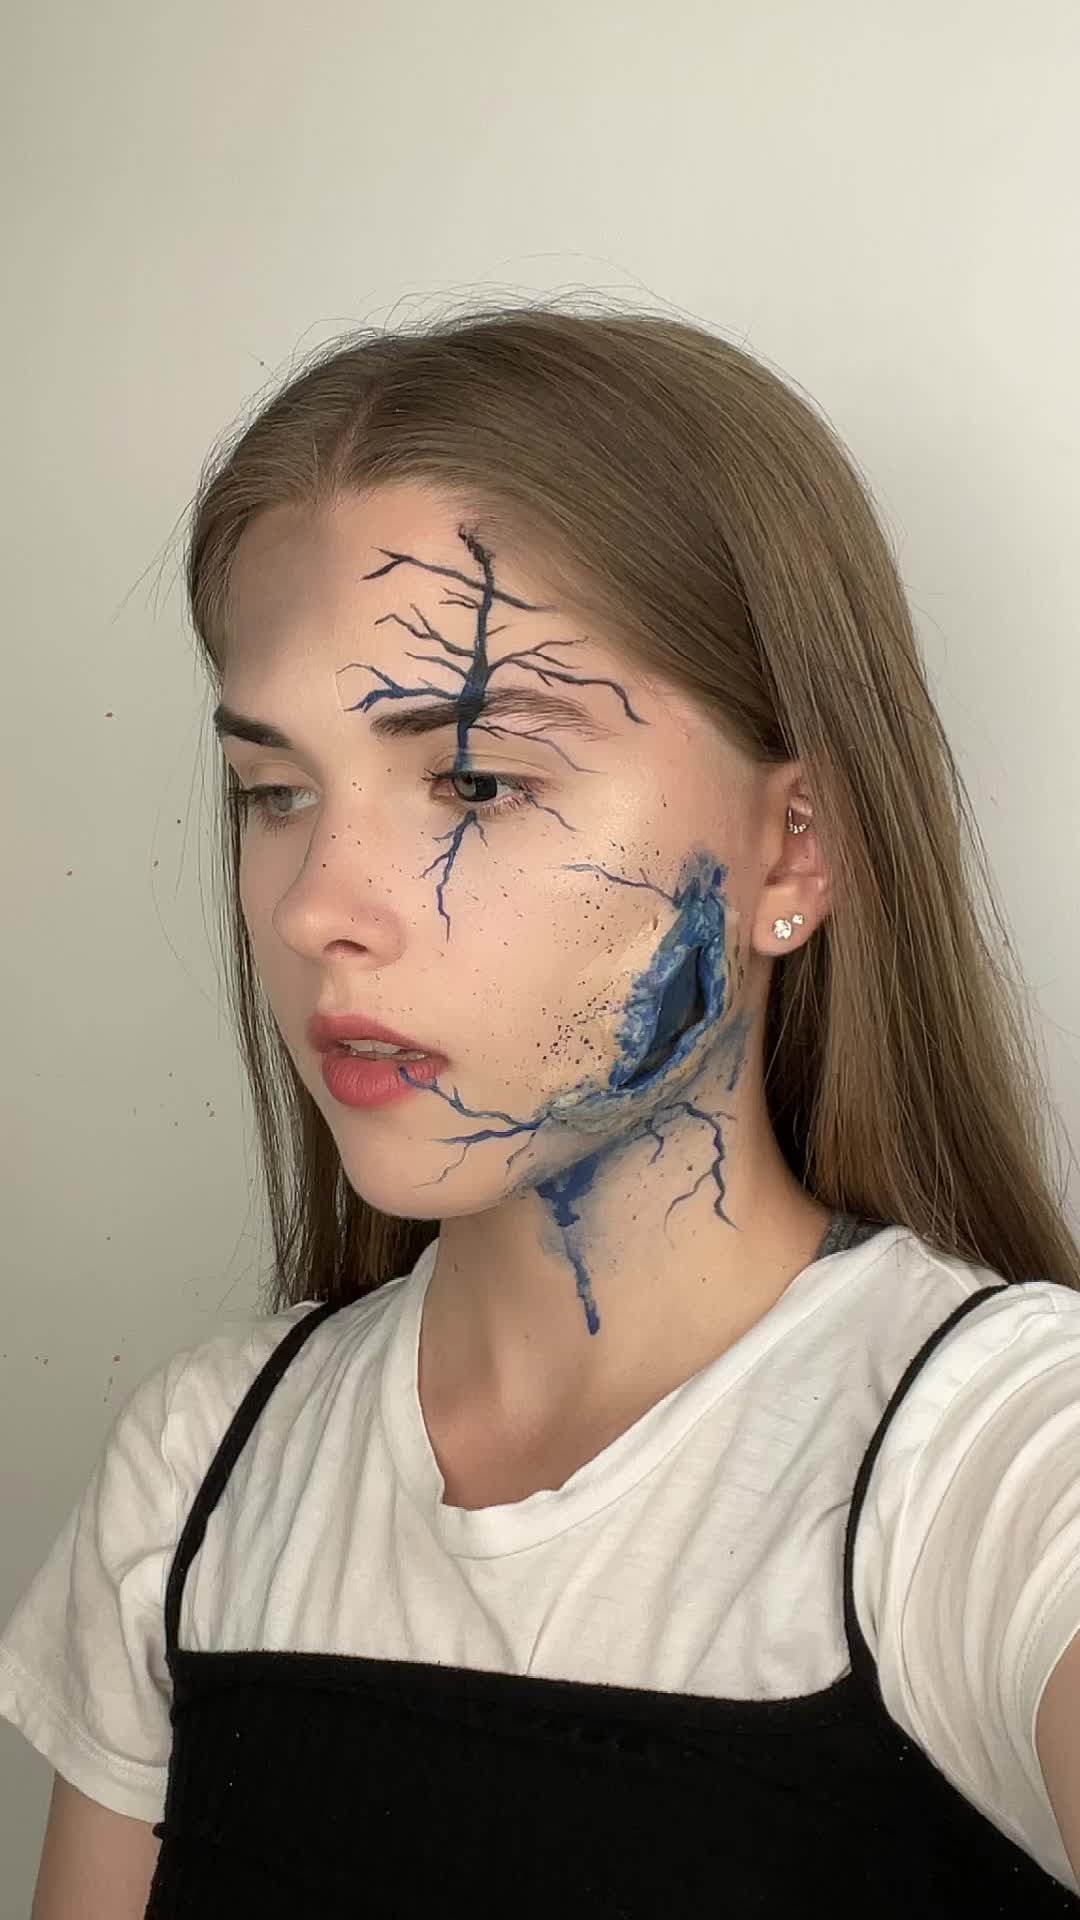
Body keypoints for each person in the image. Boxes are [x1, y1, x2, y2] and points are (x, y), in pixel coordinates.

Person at [4, 301, 1080, 1916]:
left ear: (791, 848)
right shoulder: (202, 1471)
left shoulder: (996, 1469)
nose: (315, 907)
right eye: (274, 792)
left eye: (477, 781)